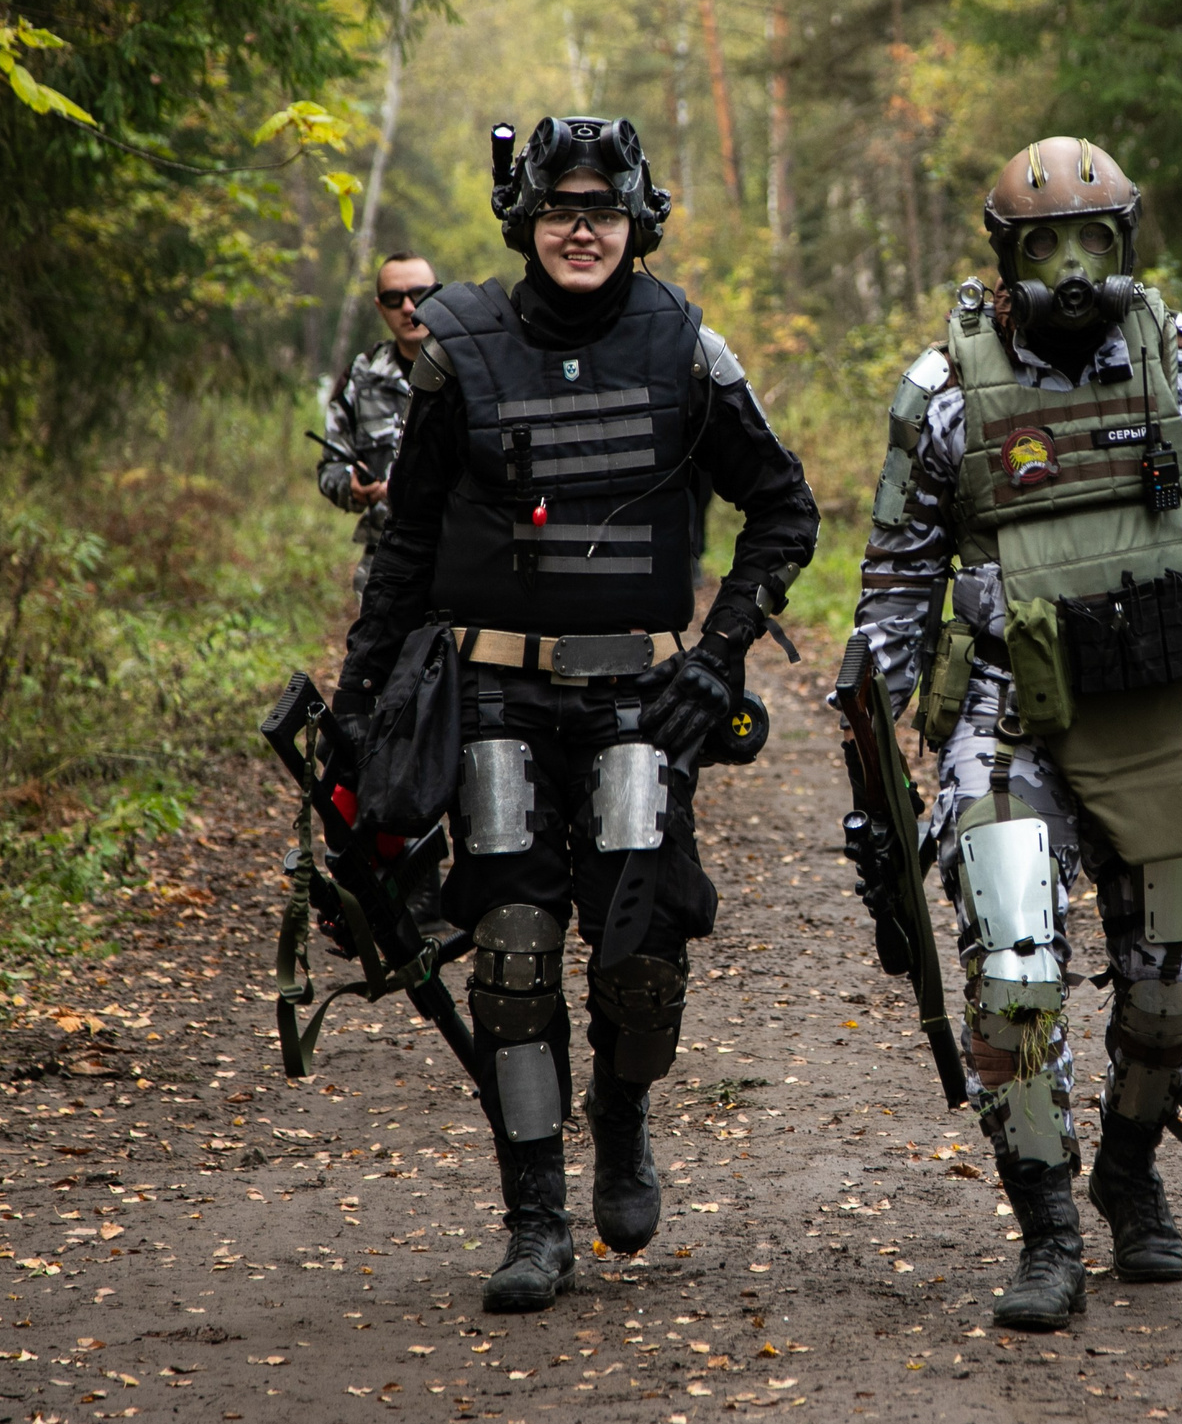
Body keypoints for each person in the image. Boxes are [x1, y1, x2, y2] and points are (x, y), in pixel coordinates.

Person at [851, 136, 1182, 1331]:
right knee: (1015, 976)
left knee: (1166, 997)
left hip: (1152, 707)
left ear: (1129, 244)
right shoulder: (942, 393)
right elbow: (893, 590)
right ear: (1006, 257)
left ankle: (1128, 1170)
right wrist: (872, 767)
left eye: (1096, 242)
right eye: (1047, 248)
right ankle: (1044, 1229)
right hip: (1005, 714)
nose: (1075, 269)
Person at [334, 116, 817, 1314]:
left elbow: (783, 509)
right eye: (559, 211)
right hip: (495, 689)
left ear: (637, 221)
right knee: (511, 954)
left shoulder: (686, 347)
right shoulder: (455, 353)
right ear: (526, 223)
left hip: (646, 699)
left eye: (602, 210)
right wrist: (358, 701)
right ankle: (534, 1216)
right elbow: (406, 540)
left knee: (639, 960)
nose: (581, 229)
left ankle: (623, 1114)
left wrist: (719, 655)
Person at [318, 252, 438, 593]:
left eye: (419, 294)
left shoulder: (468, 368)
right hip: (384, 563)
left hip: (459, 557)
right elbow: (330, 467)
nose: (408, 307)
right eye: (393, 298)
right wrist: (351, 486)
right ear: (379, 306)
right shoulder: (361, 376)